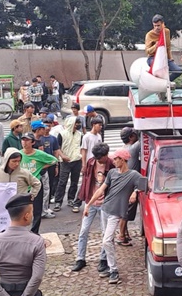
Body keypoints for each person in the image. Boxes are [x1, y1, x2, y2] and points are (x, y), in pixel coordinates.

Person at [83, 148, 143, 285]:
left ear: (123, 160)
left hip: (116, 213)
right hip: (105, 209)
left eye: (116, 159)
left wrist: (135, 192)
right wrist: (88, 205)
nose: (114, 161)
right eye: (114, 158)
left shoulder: (133, 175)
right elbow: (101, 190)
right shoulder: (111, 173)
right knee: (107, 239)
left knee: (106, 240)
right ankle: (110, 267)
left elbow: (145, 184)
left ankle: (114, 270)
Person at [0, 194, 46, 296]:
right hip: (28, 292)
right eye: (32, 212)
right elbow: (37, 277)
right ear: (27, 216)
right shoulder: (37, 242)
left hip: (3, 290)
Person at [73, 143, 113, 273]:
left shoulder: (111, 165)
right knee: (83, 231)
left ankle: (103, 259)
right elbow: (86, 181)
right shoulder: (91, 163)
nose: (100, 159)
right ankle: (80, 258)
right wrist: (84, 199)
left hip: (105, 203)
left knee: (105, 232)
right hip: (90, 201)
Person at [20, 132, 58, 233]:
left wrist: (40, 166)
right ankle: (22, 232)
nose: (25, 142)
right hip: (23, 186)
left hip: (36, 184)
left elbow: (54, 160)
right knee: (22, 211)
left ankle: (35, 232)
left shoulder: (39, 154)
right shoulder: (19, 154)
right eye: (23, 140)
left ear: (32, 142)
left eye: (27, 140)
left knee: (37, 210)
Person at [54, 116, 83, 212]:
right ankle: (58, 202)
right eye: (76, 123)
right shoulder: (62, 134)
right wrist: (62, 156)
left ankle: (71, 199)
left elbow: (81, 148)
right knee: (62, 182)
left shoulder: (80, 135)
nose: (78, 125)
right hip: (65, 161)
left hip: (77, 161)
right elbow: (57, 148)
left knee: (74, 182)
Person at [145, 14, 182, 81]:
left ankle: (166, 82)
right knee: (158, 69)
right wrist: (155, 46)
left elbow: (168, 46)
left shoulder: (166, 31)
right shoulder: (149, 35)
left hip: (164, 57)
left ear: (163, 24)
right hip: (153, 58)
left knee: (178, 71)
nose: (157, 28)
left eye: (158, 25)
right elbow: (147, 51)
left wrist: (170, 58)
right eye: (155, 26)